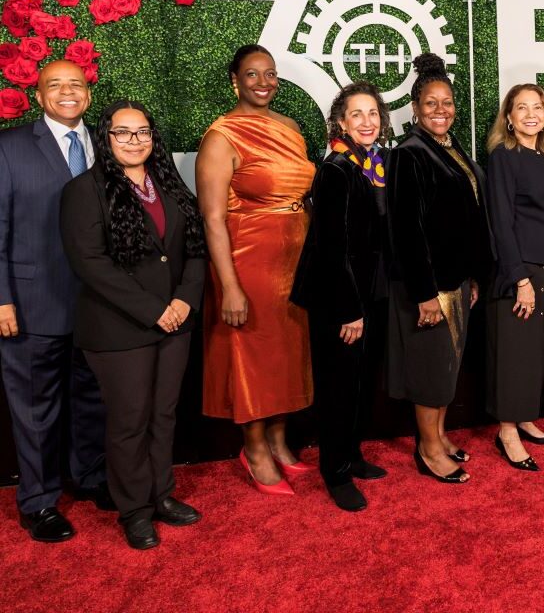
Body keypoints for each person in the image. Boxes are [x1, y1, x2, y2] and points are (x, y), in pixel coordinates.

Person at [60, 100, 205, 549]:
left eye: (142, 132)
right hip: (119, 328)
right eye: (122, 133)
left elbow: (195, 250)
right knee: (129, 421)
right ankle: (134, 511)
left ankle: (161, 495)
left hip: (176, 322)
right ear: (106, 139)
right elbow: (90, 264)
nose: (134, 140)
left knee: (163, 415)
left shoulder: (169, 184)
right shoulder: (84, 190)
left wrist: (184, 300)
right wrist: (153, 310)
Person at [0, 59, 110, 543]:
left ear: (87, 93)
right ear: (39, 96)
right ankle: (39, 501)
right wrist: (1, 300)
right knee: (35, 409)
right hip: (31, 302)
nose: (68, 93)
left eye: (76, 84)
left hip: (98, 307)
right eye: (55, 85)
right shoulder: (9, 148)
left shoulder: (106, 144)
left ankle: (89, 478)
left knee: (92, 399)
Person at [197, 44, 315, 495]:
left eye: (270, 74)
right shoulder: (221, 136)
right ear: (235, 80)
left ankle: (281, 441)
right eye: (252, 75)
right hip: (248, 260)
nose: (263, 83)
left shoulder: (290, 127)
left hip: (295, 257)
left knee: (287, 352)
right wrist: (229, 286)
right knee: (252, 355)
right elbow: (211, 218)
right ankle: (255, 447)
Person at [387, 53, 489, 483]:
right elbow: (407, 232)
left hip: (456, 280)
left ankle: (440, 435)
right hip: (430, 287)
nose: (441, 110)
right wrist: (425, 293)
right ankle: (428, 449)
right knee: (431, 371)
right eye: (431, 103)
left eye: (446, 102)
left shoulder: (446, 146)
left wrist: (473, 276)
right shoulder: (409, 154)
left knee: (448, 366)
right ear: (415, 108)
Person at [291, 83, 392, 512]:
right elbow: (334, 247)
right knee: (338, 387)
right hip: (340, 298)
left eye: (373, 113)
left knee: (361, 382)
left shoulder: (372, 164)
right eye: (357, 114)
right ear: (340, 122)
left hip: (369, 291)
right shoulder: (335, 169)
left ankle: (351, 456)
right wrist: (351, 309)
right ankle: (335, 473)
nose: (367, 121)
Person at [485, 83, 544, 471]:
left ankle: (526, 418)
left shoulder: (543, 158)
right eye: (522, 108)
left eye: (538, 107)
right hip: (519, 270)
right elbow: (500, 222)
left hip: (541, 266)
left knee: (531, 352)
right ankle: (507, 431)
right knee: (513, 354)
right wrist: (520, 278)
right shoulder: (504, 157)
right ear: (509, 118)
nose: (531, 114)